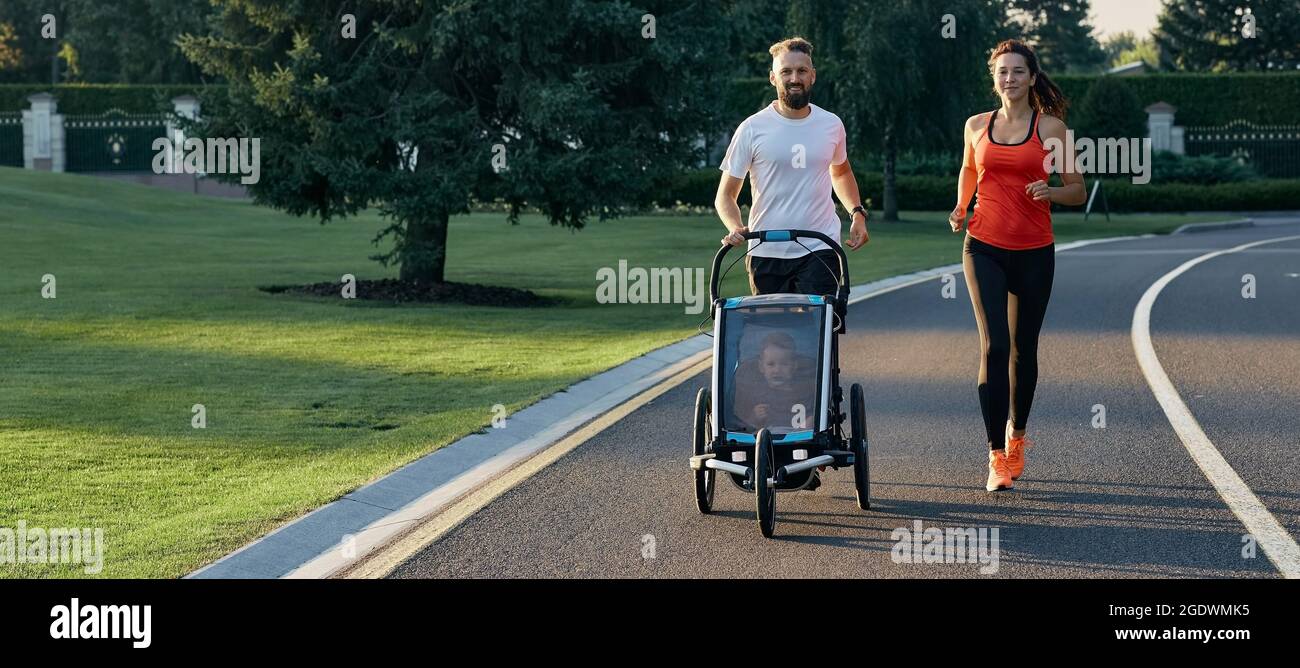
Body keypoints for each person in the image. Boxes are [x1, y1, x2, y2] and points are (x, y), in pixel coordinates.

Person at [715, 36, 869, 491]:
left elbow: (840, 172)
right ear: (774, 77)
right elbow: (726, 195)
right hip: (766, 252)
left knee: (815, 343)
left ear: (813, 75)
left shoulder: (830, 125)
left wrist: (856, 212)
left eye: (802, 71)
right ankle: (764, 433)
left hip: (819, 247)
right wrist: (736, 227)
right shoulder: (753, 129)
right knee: (771, 348)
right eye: (787, 72)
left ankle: (814, 439)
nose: (795, 78)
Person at [949, 39, 1086, 492]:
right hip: (983, 245)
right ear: (995, 77)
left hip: (1034, 250)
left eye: (1018, 72)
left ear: (1032, 77)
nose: (1009, 79)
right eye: (1002, 71)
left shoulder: (1051, 129)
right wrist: (960, 206)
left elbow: (1077, 189)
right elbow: (970, 170)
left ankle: (1018, 435)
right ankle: (994, 457)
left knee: (1025, 348)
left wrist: (1052, 192)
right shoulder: (975, 125)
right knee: (994, 346)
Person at [733, 332, 816, 432]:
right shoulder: (755, 394)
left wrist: (810, 421)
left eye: (784, 364)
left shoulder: (805, 392)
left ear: (794, 366)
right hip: (765, 442)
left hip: (799, 442)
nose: (777, 370)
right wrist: (754, 417)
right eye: (771, 364)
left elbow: (813, 416)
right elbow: (745, 427)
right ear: (761, 367)